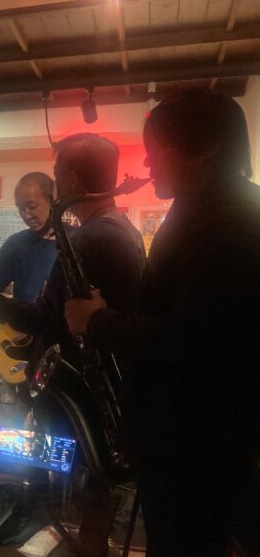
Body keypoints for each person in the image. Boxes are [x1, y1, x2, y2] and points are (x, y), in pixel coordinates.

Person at [65, 91, 260, 556]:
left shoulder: (230, 220)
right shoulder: (207, 208)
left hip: (194, 443)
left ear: (206, 149)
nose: (148, 162)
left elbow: (189, 339)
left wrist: (99, 321)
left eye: (156, 148)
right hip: (189, 437)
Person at [0, 133, 145, 446]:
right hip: (107, 388)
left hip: (82, 388)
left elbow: (43, 319)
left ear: (71, 180)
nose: (56, 186)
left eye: (57, 175)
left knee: (66, 464)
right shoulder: (125, 231)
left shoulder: (88, 239)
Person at [0, 172, 58, 418]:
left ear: (52, 200)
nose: (26, 214)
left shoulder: (76, 241)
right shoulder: (17, 243)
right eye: (20, 208)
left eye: (32, 206)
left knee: (54, 424)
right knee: (11, 425)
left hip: (60, 353)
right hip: (20, 347)